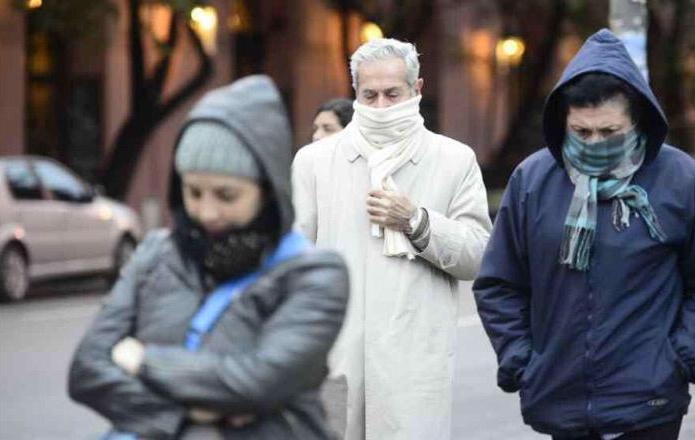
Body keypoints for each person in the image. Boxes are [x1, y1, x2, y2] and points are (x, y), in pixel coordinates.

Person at [473, 29, 695, 440]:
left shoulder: (678, 178)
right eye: (581, 133)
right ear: (564, 121)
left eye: (609, 132)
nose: (594, 144)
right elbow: (499, 282)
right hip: (559, 399)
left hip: (650, 403)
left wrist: (685, 356)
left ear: (637, 120)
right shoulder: (532, 181)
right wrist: (521, 359)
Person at [68, 75, 349, 439]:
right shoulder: (156, 254)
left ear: (267, 189)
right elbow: (87, 369)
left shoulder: (315, 275)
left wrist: (142, 361)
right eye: (193, 191)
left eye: (227, 195)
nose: (207, 211)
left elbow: (258, 382)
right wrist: (185, 419)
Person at [291, 38, 492, 440]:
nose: (381, 106)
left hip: (412, 368)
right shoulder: (314, 162)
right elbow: (293, 264)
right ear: (356, 95)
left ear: (417, 90)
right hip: (331, 363)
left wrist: (417, 222)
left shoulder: (454, 160)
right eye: (370, 95)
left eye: (392, 94)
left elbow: (478, 255)